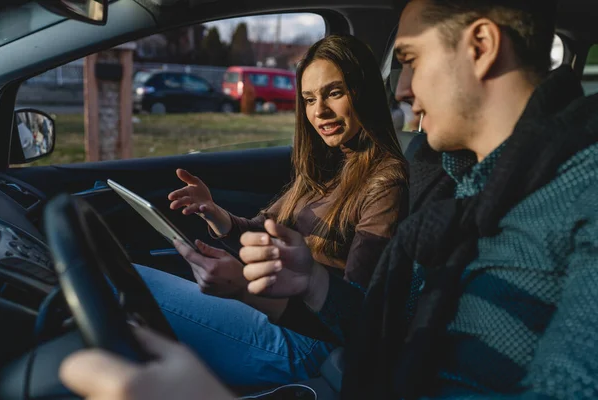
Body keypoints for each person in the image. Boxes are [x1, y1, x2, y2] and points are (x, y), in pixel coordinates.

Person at [61, 0, 598, 398]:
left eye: (408, 59)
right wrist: (314, 284)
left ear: (480, 47)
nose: (403, 88)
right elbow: (395, 329)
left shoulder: (580, 198)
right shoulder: (468, 189)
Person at [131, 33, 408, 387]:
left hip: (305, 340)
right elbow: (265, 227)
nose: (319, 111)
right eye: (309, 99)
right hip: (271, 309)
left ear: (364, 92)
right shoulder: (328, 165)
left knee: (122, 284)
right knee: (121, 274)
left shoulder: (385, 184)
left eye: (334, 93)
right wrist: (215, 214)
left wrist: (242, 289)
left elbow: (357, 312)